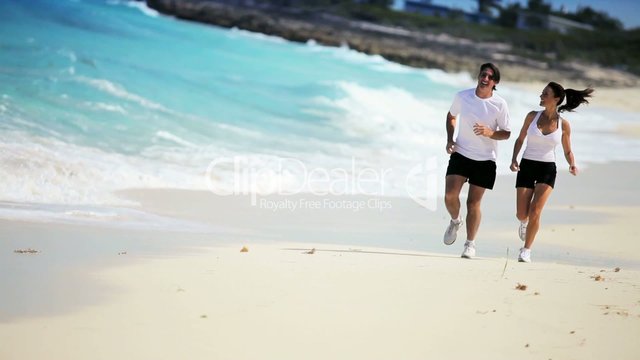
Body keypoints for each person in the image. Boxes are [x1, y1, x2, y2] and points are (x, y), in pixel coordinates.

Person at [510, 82, 593, 263]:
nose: (541, 96)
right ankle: (524, 223)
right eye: (541, 93)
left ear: (555, 99)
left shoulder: (564, 125)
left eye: (545, 94)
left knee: (536, 211)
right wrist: (514, 158)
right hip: (527, 165)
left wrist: (572, 163)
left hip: (547, 168)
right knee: (521, 214)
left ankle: (526, 250)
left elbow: (567, 150)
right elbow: (520, 138)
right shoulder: (532, 116)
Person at [443, 63, 511, 259]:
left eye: (490, 77)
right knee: (449, 196)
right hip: (461, 153)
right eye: (483, 75)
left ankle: (470, 244)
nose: (485, 79)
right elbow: (451, 116)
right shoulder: (462, 96)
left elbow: (506, 133)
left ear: (495, 82)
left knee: (473, 203)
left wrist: (490, 132)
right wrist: (450, 138)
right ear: (479, 76)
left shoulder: (500, 104)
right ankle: (455, 221)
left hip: (485, 160)